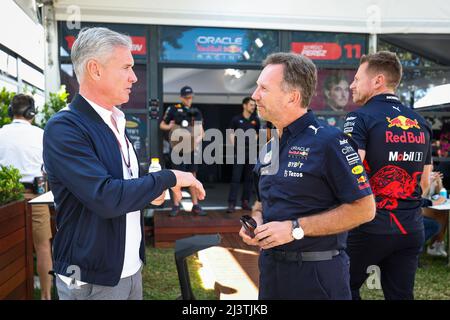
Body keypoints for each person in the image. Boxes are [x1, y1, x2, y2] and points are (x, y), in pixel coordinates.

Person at [43, 27, 205, 300]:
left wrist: (150, 193)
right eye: (127, 67)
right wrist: (170, 178)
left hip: (130, 270)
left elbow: (125, 187)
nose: (133, 77)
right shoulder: (65, 127)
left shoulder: (115, 121)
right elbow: (107, 197)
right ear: (95, 69)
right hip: (91, 278)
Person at [239, 52, 375, 300]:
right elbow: (263, 201)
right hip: (271, 271)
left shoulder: (331, 141)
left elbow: (364, 209)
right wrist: (257, 219)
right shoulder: (270, 146)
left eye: (263, 88)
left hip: (317, 277)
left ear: (292, 97)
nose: (255, 95)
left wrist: (295, 229)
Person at [343, 51, 432, 300]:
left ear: (378, 81)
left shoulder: (358, 117)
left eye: (357, 78)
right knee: (401, 295)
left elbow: (350, 175)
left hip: (368, 226)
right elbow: (424, 183)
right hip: (411, 229)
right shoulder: (419, 122)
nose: (352, 85)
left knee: (342, 286)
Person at [0, 94, 53, 300]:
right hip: (36, 197)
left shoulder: (1, 133)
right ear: (32, 113)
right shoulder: (41, 135)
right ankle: (47, 295)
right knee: (42, 246)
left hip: (7, 199)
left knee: (7, 246)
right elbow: (50, 167)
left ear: (11, 112)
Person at [160, 86, 205, 216]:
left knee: (192, 175)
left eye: (191, 97)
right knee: (176, 176)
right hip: (177, 147)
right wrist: (170, 126)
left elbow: (201, 131)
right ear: (181, 97)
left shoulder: (196, 112)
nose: (189, 100)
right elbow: (162, 125)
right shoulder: (173, 109)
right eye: (186, 98)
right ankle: (175, 205)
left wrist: (196, 141)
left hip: (191, 148)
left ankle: (196, 205)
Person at [226, 97, 260, 213]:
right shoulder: (236, 119)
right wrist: (235, 145)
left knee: (249, 179)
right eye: (251, 104)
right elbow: (230, 133)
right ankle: (231, 203)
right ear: (244, 105)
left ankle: (245, 202)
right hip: (239, 151)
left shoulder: (255, 119)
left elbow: (257, 134)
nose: (253, 106)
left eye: (254, 105)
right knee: (235, 178)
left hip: (251, 151)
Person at [422, 171, 448, 257]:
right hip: (417, 207)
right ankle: (434, 245)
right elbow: (420, 197)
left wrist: (439, 182)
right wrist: (429, 183)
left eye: (432, 164)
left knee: (444, 213)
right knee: (439, 217)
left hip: (426, 204)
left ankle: (437, 244)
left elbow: (442, 193)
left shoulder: (431, 175)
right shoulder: (419, 175)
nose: (431, 167)